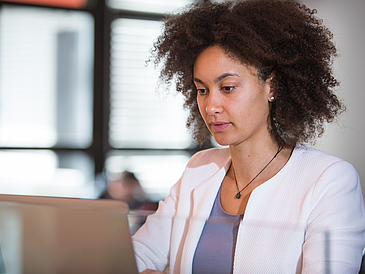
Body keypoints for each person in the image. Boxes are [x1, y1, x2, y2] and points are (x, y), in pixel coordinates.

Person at [132, 0, 365, 273]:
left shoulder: (330, 181)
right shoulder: (199, 168)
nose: (211, 107)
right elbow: (133, 258)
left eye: (228, 87)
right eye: (202, 90)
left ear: (272, 86)